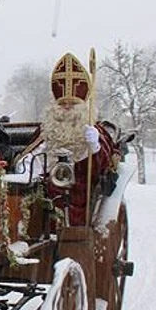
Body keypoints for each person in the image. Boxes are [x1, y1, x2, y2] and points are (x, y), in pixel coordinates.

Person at [16, 52, 121, 225]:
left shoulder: (94, 131)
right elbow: (31, 155)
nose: (66, 108)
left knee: (64, 204)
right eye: (62, 104)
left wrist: (94, 146)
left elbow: (101, 170)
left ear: (82, 105)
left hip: (77, 188)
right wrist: (26, 168)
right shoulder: (46, 129)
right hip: (42, 184)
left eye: (72, 104)